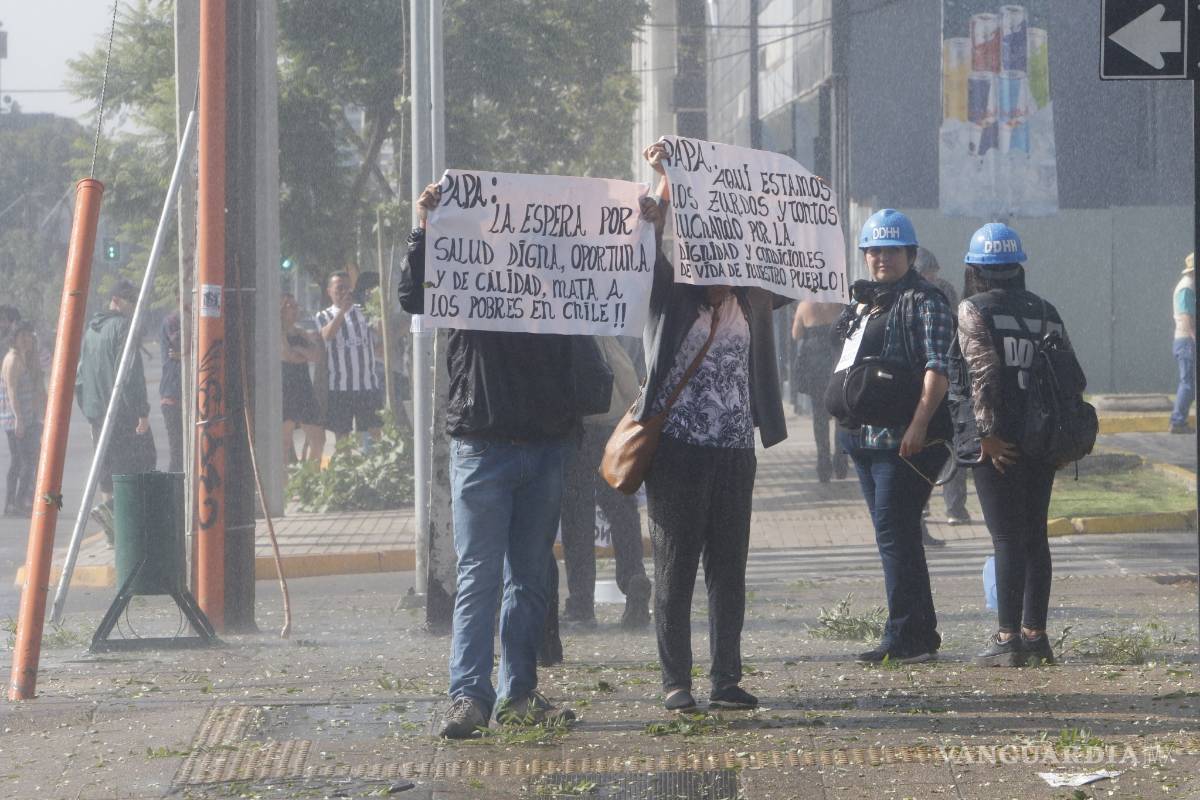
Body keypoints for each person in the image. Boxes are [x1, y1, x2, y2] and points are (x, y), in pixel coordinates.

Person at [399, 184, 578, 739]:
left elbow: (620, 284)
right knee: (479, 575)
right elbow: (412, 295)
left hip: (545, 444)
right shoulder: (463, 272)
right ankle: (469, 695)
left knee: (528, 578)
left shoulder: (562, 277)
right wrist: (424, 228)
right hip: (484, 443)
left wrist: (648, 222)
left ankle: (517, 693)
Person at [638, 142, 788, 713]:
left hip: (733, 452)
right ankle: (676, 681)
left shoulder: (752, 302)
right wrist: (666, 188)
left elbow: (794, 264)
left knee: (728, 569)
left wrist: (796, 211)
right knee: (675, 570)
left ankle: (727, 678)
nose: (725, 269)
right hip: (677, 452)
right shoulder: (673, 298)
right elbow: (643, 258)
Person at [832, 209, 952, 664]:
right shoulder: (866, 301)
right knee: (896, 536)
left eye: (891, 250)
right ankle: (919, 633)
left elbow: (938, 367)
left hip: (903, 443)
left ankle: (905, 635)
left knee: (895, 535)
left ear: (911, 254)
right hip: (864, 442)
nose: (881, 258)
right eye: (874, 250)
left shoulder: (926, 301)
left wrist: (920, 424)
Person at [956, 223, 1067, 667]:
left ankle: (1006, 639)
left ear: (977, 270)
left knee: (1006, 538)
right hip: (1041, 442)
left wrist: (985, 436)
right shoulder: (1046, 311)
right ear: (1016, 266)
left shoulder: (973, 310)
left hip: (1000, 444)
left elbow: (981, 376)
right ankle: (1035, 636)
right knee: (1035, 537)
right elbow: (1069, 378)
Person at [558, 336, 652, 630]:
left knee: (577, 517)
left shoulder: (567, 326)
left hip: (577, 428)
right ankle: (633, 576)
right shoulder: (610, 332)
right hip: (612, 428)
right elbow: (629, 381)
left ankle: (582, 603)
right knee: (621, 508)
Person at [75, 279, 155, 537]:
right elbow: (130, 373)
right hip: (121, 412)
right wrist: (142, 411)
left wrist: (88, 409)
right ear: (117, 301)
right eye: (131, 301)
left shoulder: (91, 331)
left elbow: (80, 377)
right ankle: (124, 523)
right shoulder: (123, 328)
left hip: (97, 412)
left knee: (106, 467)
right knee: (139, 463)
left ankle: (112, 527)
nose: (134, 307)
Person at [914, 246, 972, 534]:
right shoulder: (912, 293)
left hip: (949, 376)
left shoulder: (944, 291)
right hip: (923, 382)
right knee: (925, 448)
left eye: (934, 272)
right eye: (928, 272)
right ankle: (922, 506)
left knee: (953, 447)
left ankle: (954, 506)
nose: (932, 277)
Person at [316, 272, 383, 446]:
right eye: (340, 288)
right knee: (342, 438)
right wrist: (342, 312)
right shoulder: (323, 316)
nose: (345, 292)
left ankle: (373, 469)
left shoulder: (364, 312)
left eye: (348, 287)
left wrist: (378, 308)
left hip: (367, 385)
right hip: (340, 388)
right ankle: (346, 470)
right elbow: (327, 335)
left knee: (373, 435)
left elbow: (381, 336)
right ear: (329, 291)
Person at [791, 300, 848, 482]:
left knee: (819, 417)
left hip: (814, 362)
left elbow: (796, 334)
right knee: (841, 413)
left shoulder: (805, 305)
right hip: (836, 359)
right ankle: (841, 460)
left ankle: (823, 465)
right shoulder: (840, 304)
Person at [0, 323, 46, 515]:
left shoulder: (27, 358)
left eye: (29, 335)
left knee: (31, 459)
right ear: (14, 338)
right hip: (16, 420)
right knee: (21, 461)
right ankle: (14, 503)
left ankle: (22, 499)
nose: (26, 339)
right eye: (22, 336)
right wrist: (19, 419)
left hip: (30, 417)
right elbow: (11, 391)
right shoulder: (12, 360)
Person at [281, 293, 326, 464]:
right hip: (285, 387)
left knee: (318, 438)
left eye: (296, 306)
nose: (294, 310)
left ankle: (310, 479)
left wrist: (300, 349)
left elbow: (317, 356)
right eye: (289, 306)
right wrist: (302, 354)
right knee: (284, 442)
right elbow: (288, 356)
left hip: (304, 387)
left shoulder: (300, 332)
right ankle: (283, 485)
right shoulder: (279, 332)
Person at [158, 304, 186, 473]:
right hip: (173, 396)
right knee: (178, 453)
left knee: (189, 452)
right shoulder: (173, 320)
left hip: (184, 395)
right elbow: (178, 345)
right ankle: (175, 496)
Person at [1170, 252, 1195, 434]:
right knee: (1187, 382)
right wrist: (1194, 335)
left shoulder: (1188, 285)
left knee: (1189, 382)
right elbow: (1186, 315)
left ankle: (1180, 420)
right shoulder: (1187, 287)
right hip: (1186, 339)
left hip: (1185, 339)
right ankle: (1178, 421)